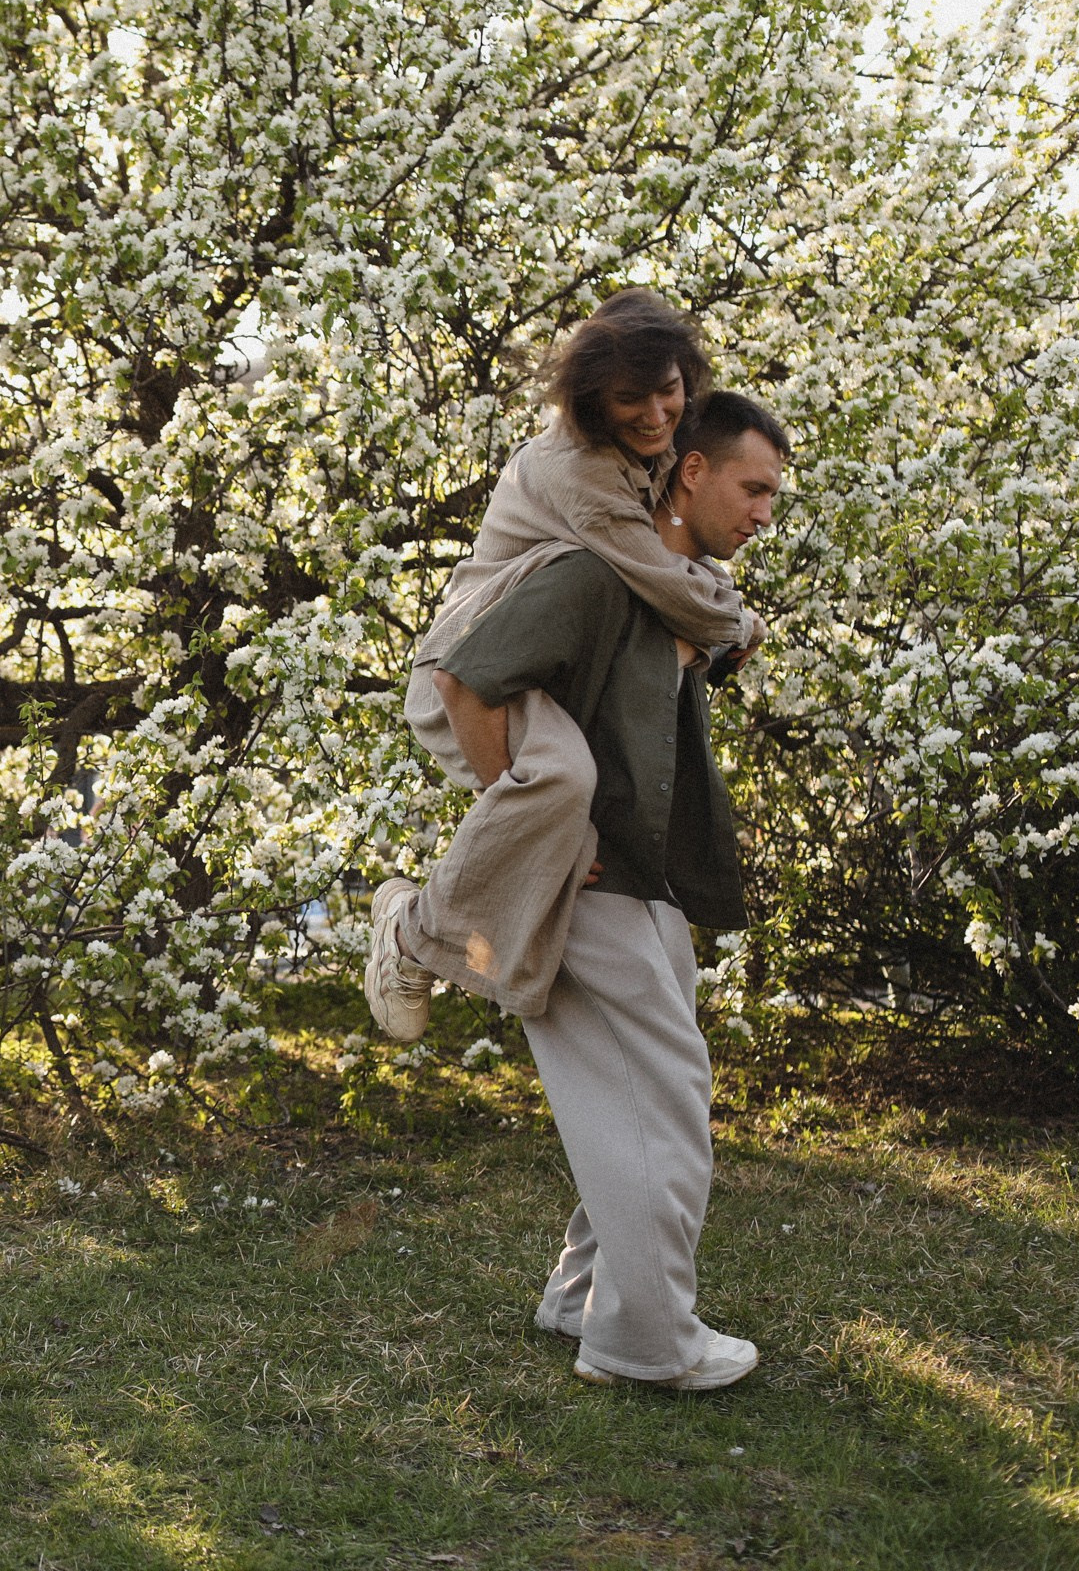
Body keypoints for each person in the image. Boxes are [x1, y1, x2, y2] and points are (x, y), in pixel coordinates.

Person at [423, 389, 791, 1389]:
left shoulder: (674, 589)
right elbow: (467, 679)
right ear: (690, 470)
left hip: (650, 881)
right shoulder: (593, 575)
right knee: (663, 1108)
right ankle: (642, 1342)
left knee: (637, 1100)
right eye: (753, 487)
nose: (764, 513)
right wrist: (534, 821)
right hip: (595, 885)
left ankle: (580, 1297)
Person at [368, 289, 766, 1030]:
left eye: (669, 391)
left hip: (548, 672)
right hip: (482, 659)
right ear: (589, 402)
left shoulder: (652, 450)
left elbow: (673, 564)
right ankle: (412, 935)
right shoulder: (579, 473)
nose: (654, 415)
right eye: (629, 400)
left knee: (572, 791)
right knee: (563, 780)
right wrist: (734, 619)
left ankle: (442, 938)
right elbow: (657, 580)